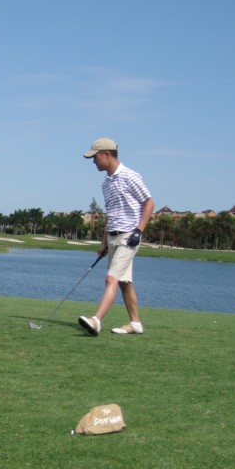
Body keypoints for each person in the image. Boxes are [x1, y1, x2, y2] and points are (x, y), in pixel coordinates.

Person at [78, 138, 154, 336]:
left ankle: (96, 320)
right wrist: (104, 242)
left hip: (129, 236)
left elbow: (149, 203)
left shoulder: (130, 176)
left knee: (111, 278)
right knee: (124, 282)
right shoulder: (106, 184)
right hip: (113, 237)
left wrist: (139, 230)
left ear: (107, 154)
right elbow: (111, 214)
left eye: (95, 157)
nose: (93, 162)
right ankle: (136, 323)